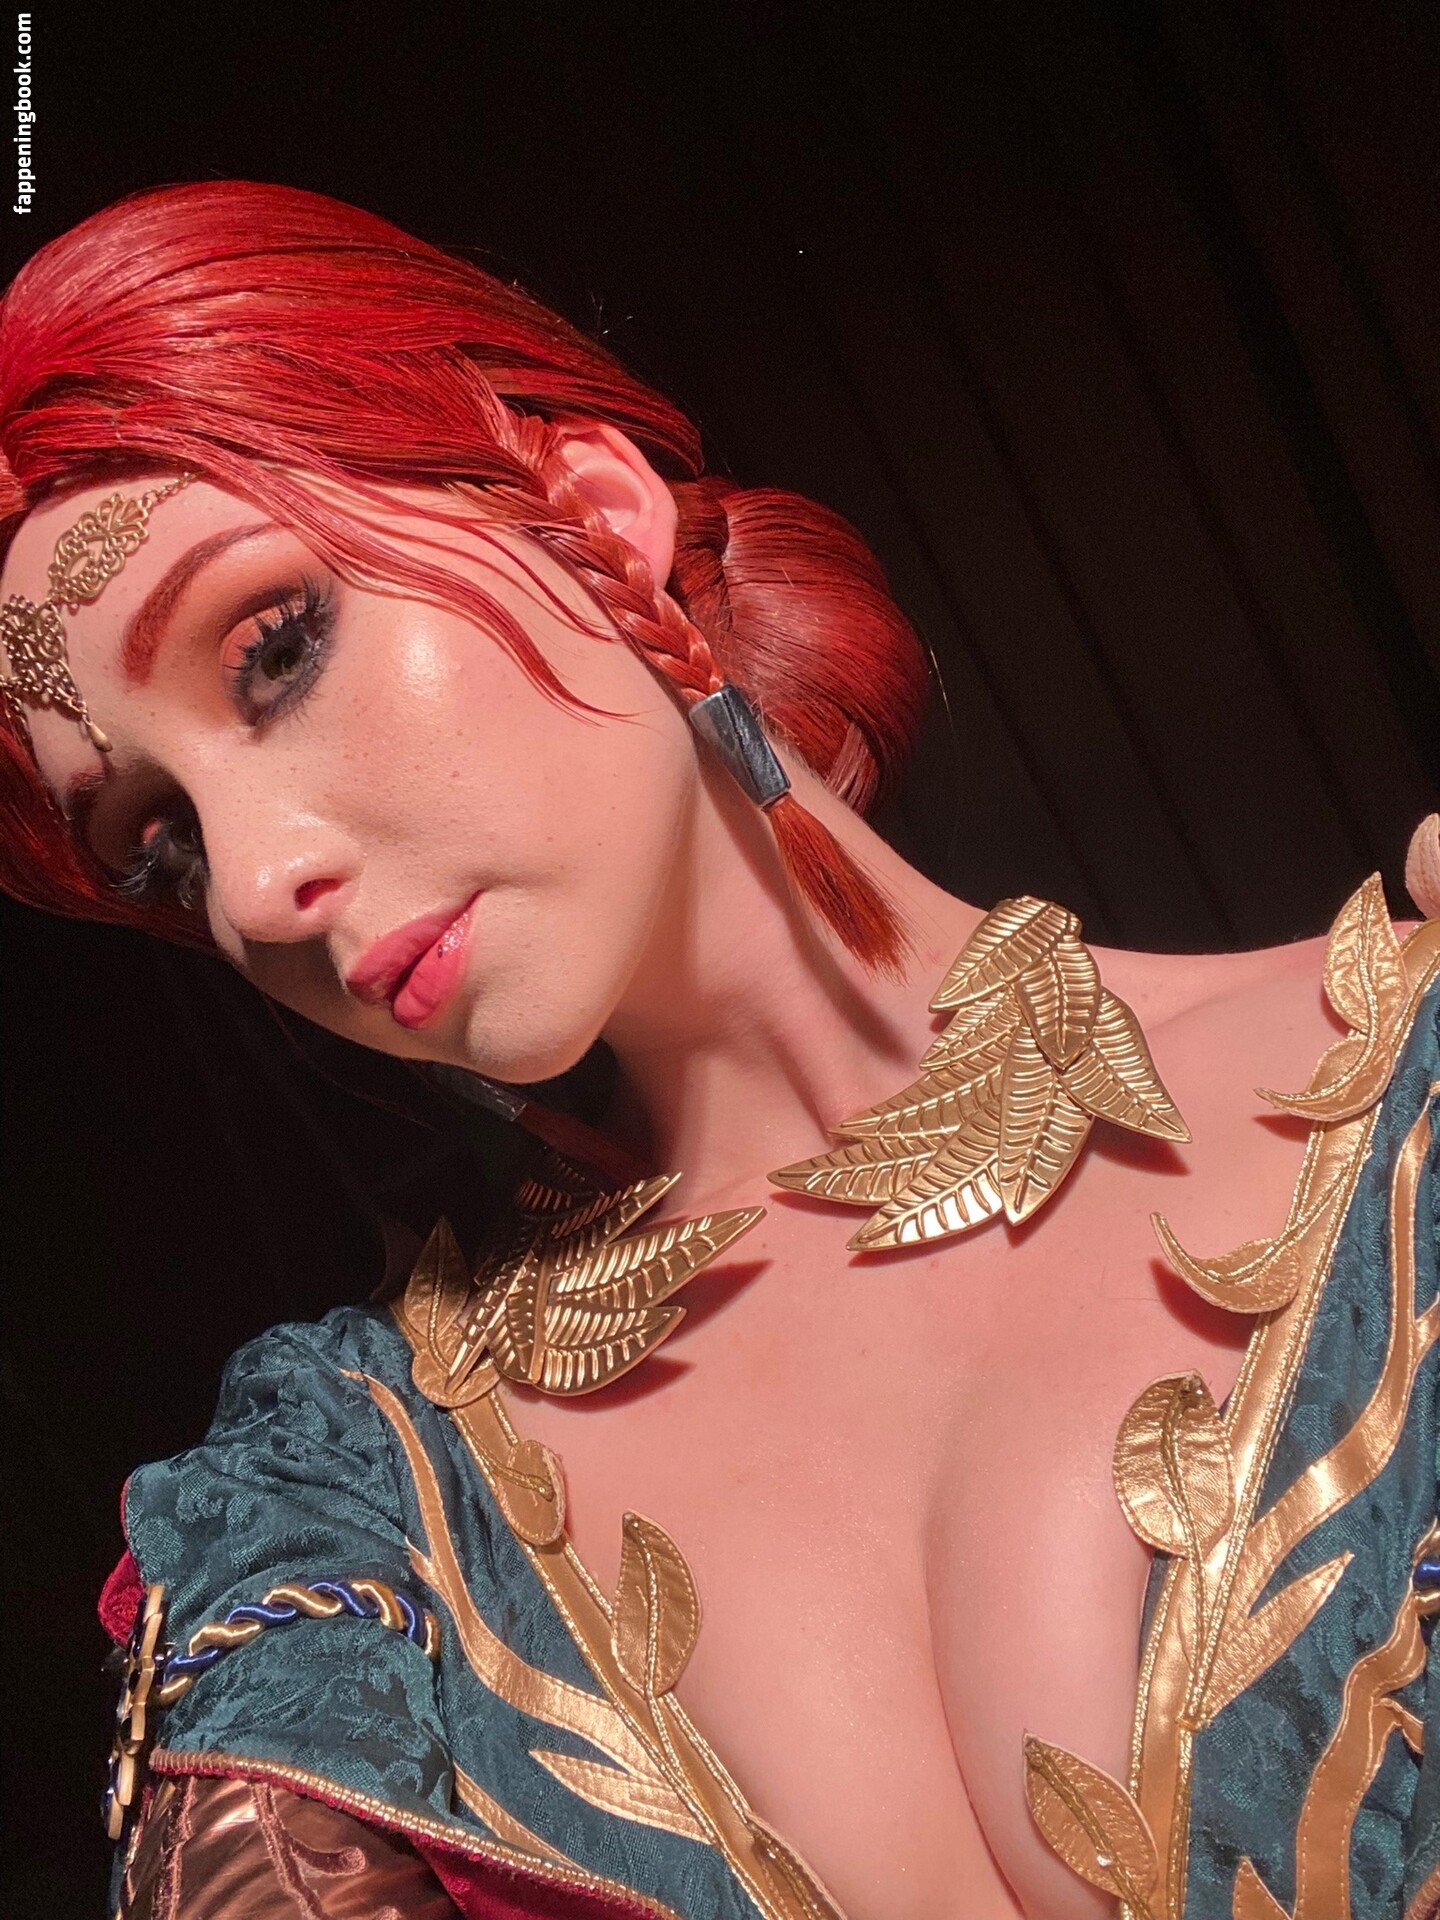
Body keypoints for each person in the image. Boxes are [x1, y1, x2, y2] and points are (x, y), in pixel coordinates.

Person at [2, 181, 1437, 1920]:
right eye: (158, 840)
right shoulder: (354, 1498)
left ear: (591, 519)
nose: (250, 887)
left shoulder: (1414, 1082)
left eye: (275, 650)